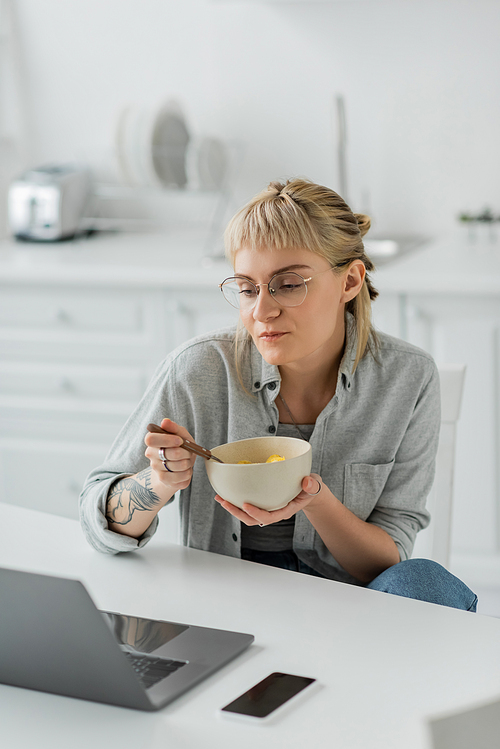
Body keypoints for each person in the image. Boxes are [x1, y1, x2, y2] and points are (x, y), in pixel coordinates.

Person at [80, 178, 477, 612]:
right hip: (225, 604)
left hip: (348, 608)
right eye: (248, 288)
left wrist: (316, 501)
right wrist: (156, 484)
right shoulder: (199, 369)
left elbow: (387, 560)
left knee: (426, 583)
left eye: (288, 284)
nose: (261, 311)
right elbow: (97, 516)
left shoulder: (408, 378)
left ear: (350, 281)